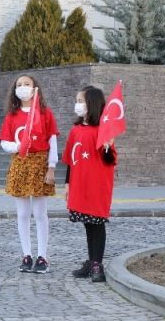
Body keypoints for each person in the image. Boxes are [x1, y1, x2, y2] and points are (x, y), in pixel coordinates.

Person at [0, 75, 59, 274]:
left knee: (40, 213)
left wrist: (51, 167)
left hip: (40, 163)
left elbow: (52, 141)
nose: (23, 87)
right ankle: (26, 254)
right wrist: (18, 145)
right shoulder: (12, 115)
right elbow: (4, 142)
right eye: (19, 85)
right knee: (23, 213)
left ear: (35, 88)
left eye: (27, 84)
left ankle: (42, 256)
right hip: (20, 162)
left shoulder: (45, 113)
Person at [63, 85, 117, 283]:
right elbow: (70, 159)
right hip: (80, 185)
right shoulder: (76, 130)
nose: (77, 105)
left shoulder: (103, 131)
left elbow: (109, 160)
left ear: (92, 104)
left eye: (81, 101)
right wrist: (67, 184)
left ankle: (97, 264)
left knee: (97, 224)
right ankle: (91, 259)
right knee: (88, 225)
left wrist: (107, 146)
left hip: (97, 186)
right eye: (77, 101)